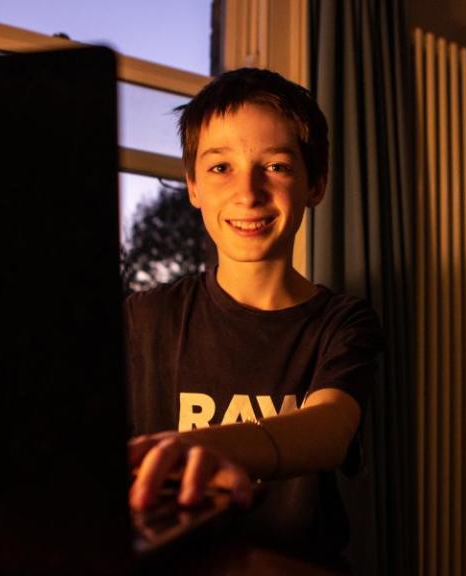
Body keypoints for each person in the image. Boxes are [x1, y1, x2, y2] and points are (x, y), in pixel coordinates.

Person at [125, 67, 382, 567]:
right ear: (193, 186)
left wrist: (197, 445)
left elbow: (331, 430)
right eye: (221, 167)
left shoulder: (343, 322)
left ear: (316, 183)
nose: (248, 193)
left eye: (277, 167)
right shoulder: (145, 318)